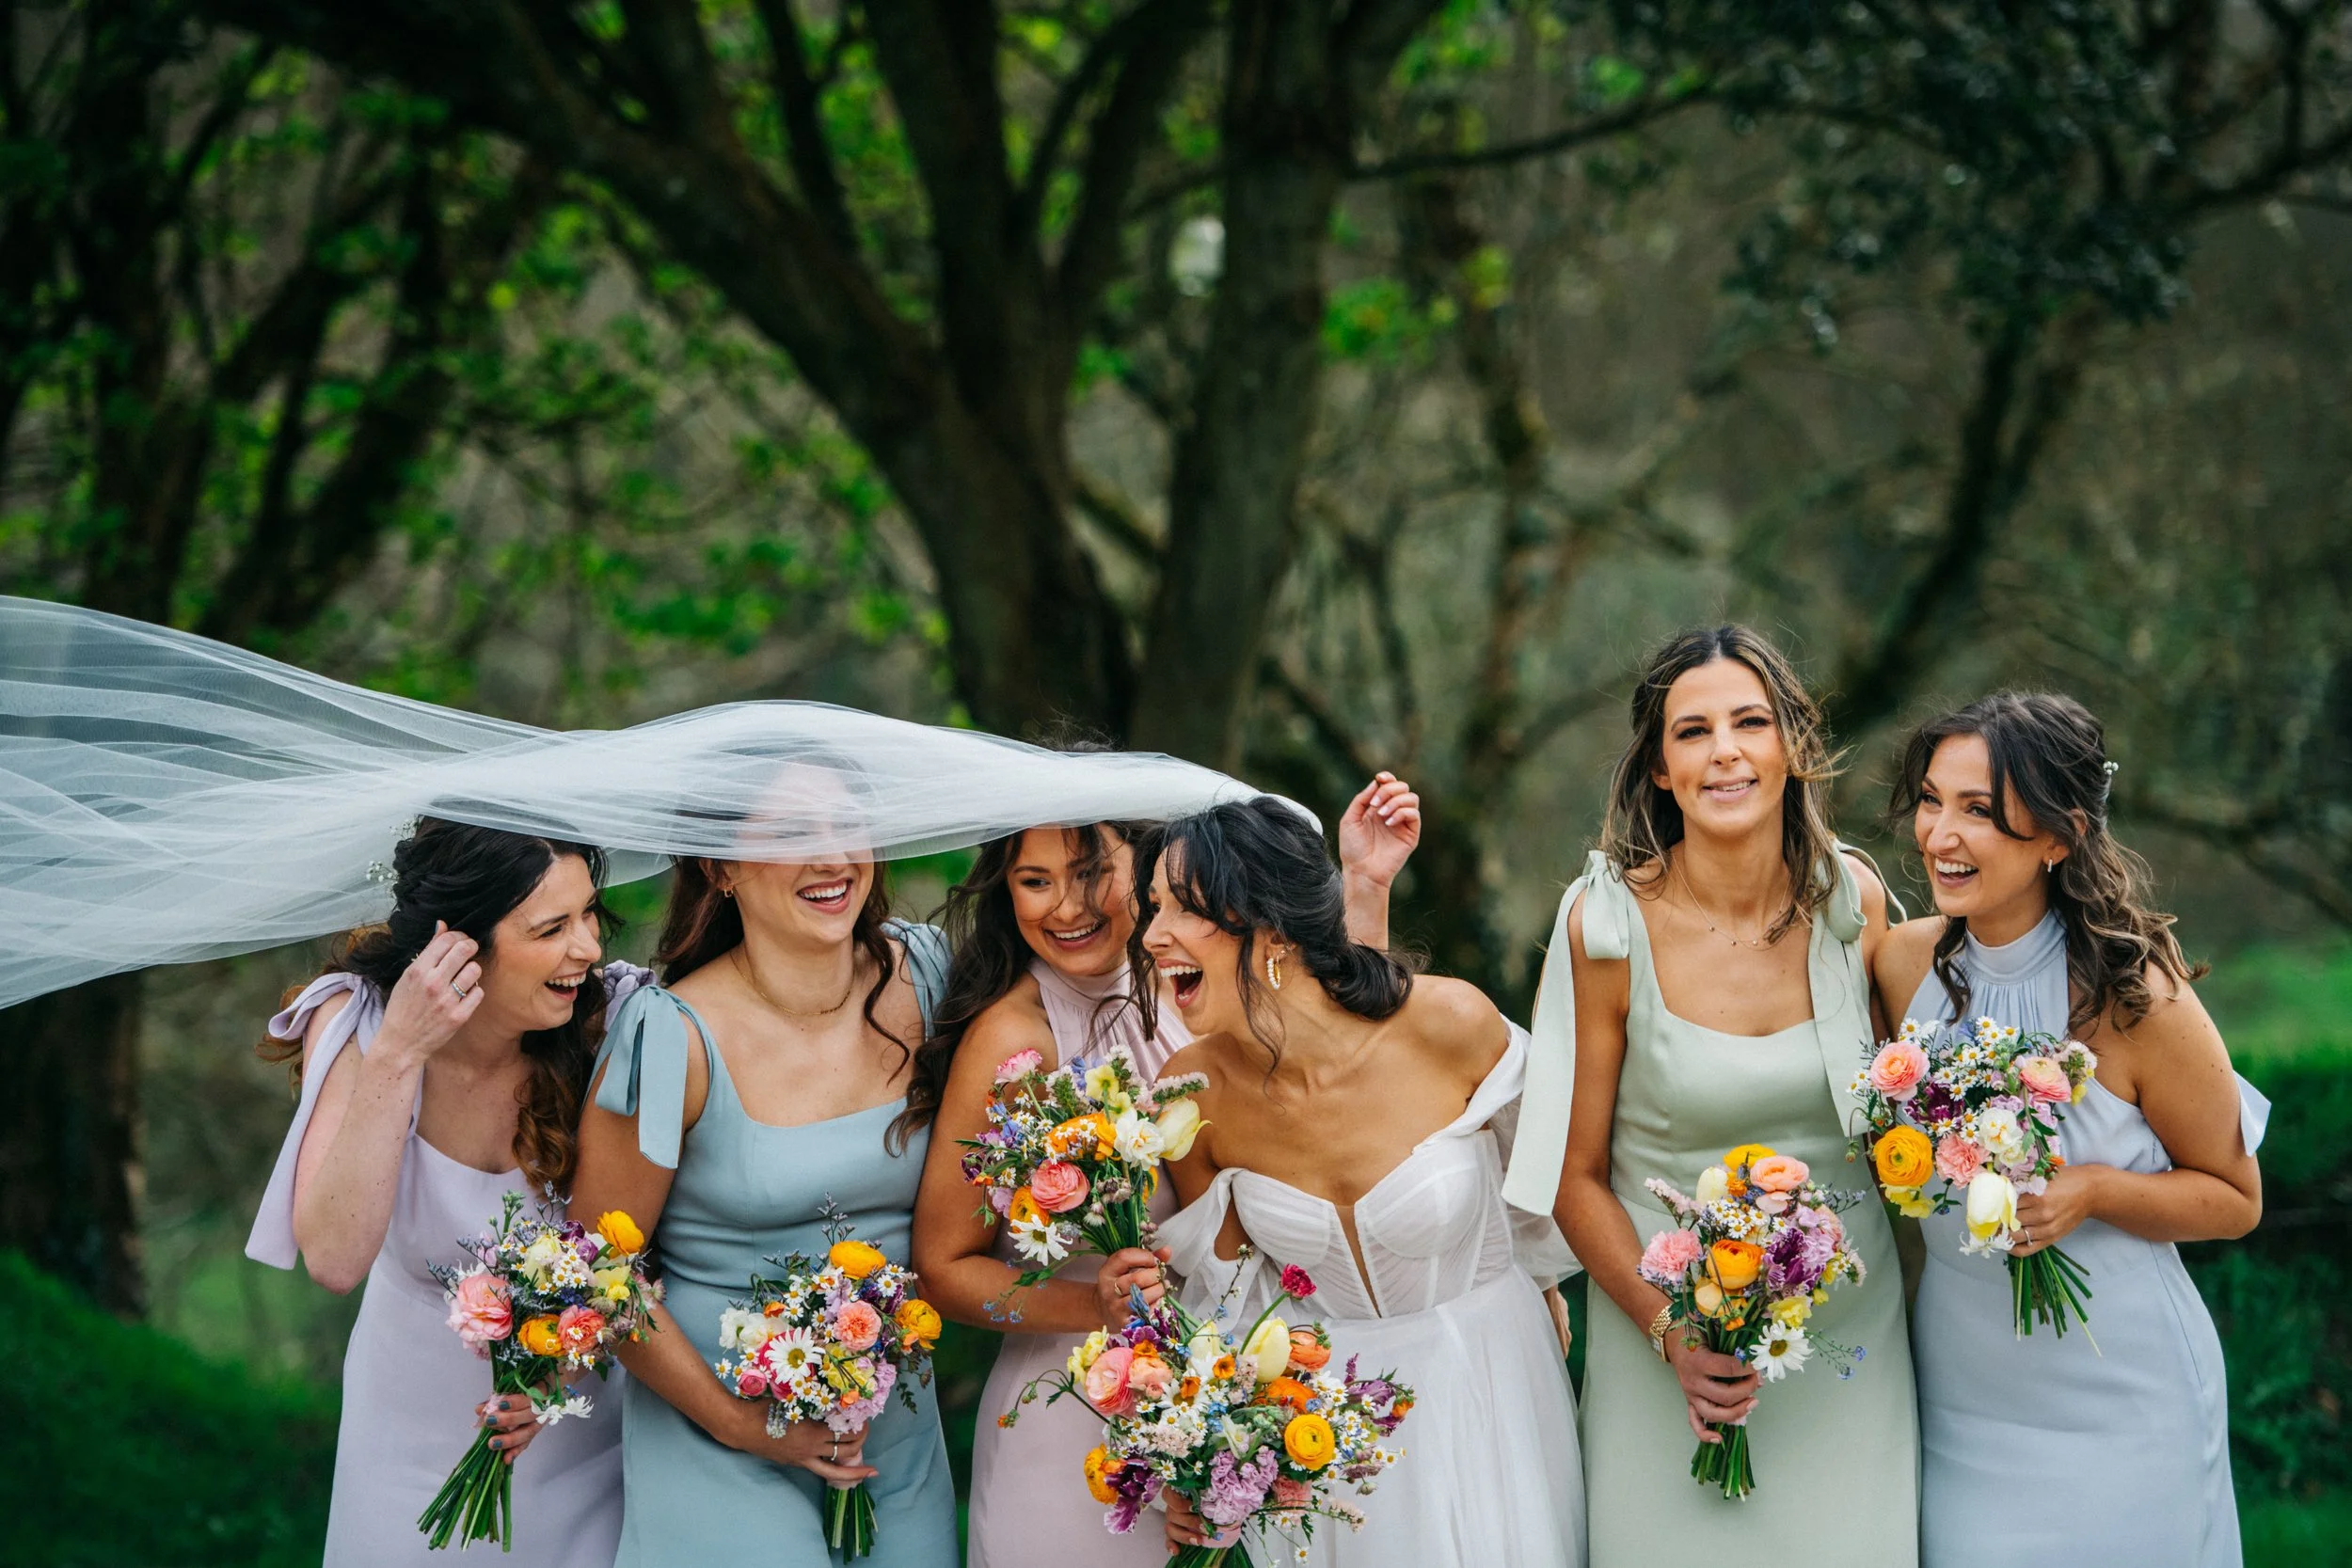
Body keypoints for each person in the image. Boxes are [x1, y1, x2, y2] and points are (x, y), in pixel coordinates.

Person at [907, 777, 1420, 1568]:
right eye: (1033, 881)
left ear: (1143, 873)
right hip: (1074, 1420)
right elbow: (942, 1268)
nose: (1066, 908)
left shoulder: (1194, 990)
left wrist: (1366, 888)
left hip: (1221, 1414)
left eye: (1089, 874)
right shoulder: (1014, 1041)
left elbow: (1339, 1067)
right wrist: (1098, 1302)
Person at [1502, 625, 1917, 1566]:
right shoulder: (1603, 922)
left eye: (1750, 721)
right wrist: (1675, 1335)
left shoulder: (1852, 902)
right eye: (1693, 731)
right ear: (1657, 766)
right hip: (1669, 1348)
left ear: (1791, 747)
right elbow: (1572, 1175)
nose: (1725, 749)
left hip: (1848, 1351)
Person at [1876, 691, 2265, 1568]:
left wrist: (2089, 1191)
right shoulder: (1904, 966)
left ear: (2059, 835)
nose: (1940, 833)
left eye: (1978, 810)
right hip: (1963, 1403)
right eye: (1932, 800)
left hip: (2120, 1404)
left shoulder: (2137, 998)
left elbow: (2237, 1198)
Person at [1146, 798, 1582, 1567]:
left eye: (1183, 907)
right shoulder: (1191, 1094)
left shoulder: (1452, 1023)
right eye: (1154, 909)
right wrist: (1192, 1456)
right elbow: (1223, 1307)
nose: (1152, 936)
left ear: (1273, 927)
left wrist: (1540, 1280)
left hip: (1489, 1394)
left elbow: (1555, 1181)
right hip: (1331, 1445)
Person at [568, 776, 960, 1568]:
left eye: (847, 824)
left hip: (897, 1436)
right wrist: (739, 1424)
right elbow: (595, 1269)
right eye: (789, 834)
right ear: (719, 868)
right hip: (720, 1438)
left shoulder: (928, 972)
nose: (833, 856)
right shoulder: (669, 1036)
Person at [245, 818, 624, 1567]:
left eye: (590, 914)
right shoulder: (358, 1023)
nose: (589, 948)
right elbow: (334, 1257)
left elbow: (639, 1246)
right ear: (458, 944)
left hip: (574, 1435)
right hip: (404, 1447)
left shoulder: (608, 1028)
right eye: (553, 928)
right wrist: (403, 1050)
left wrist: (561, 1373)